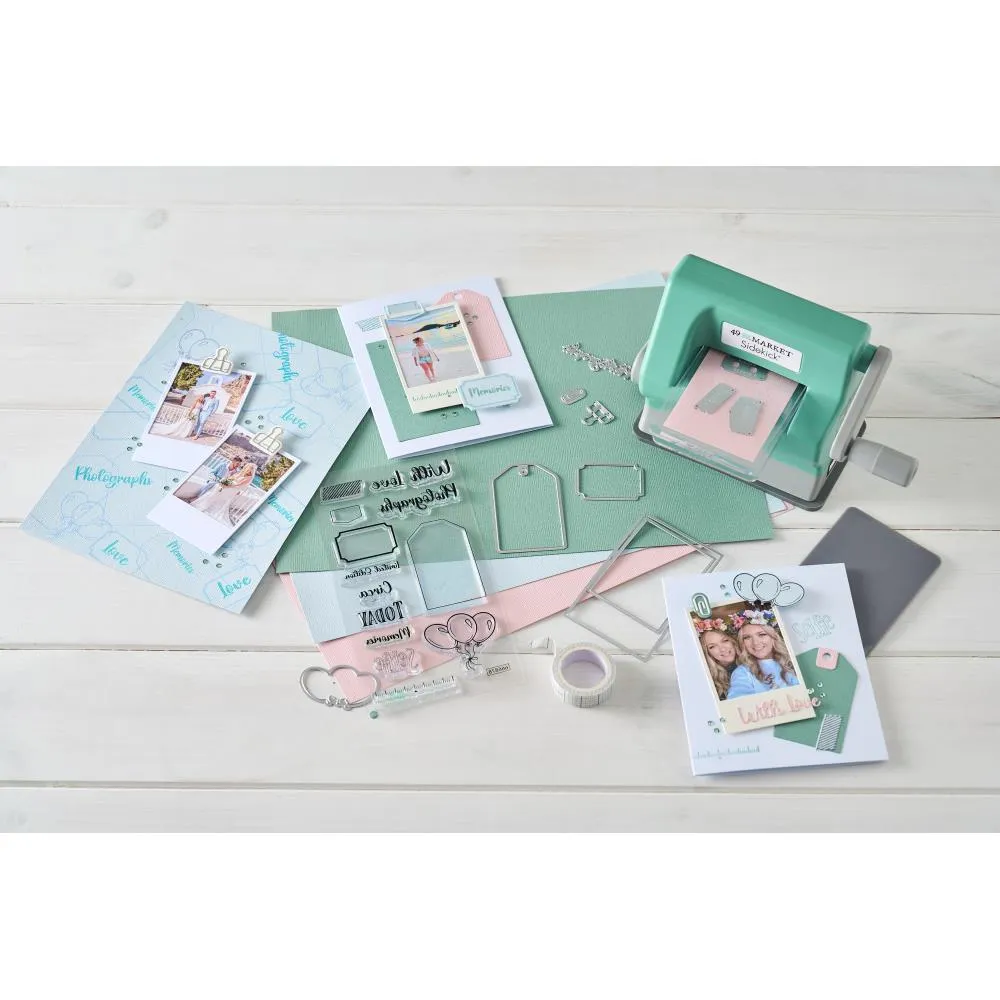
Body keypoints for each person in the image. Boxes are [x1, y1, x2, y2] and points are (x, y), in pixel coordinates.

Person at [698, 627, 773, 700]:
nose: (723, 649)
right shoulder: (709, 682)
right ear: (708, 652)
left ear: (732, 641)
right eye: (712, 646)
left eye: (725, 641)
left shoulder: (756, 662)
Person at [737, 621, 800, 689]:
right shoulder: (742, 672)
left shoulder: (793, 659)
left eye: (761, 635)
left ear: (773, 637)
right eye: (747, 637)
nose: (755, 642)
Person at [190, 460, 256, 521]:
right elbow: (231, 478)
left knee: (219, 490)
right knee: (217, 487)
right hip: (230, 485)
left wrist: (228, 485)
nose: (249, 470)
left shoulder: (249, 477)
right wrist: (225, 481)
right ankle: (205, 503)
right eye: (248, 468)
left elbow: (238, 484)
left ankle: (207, 504)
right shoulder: (240, 473)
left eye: (250, 469)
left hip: (234, 488)